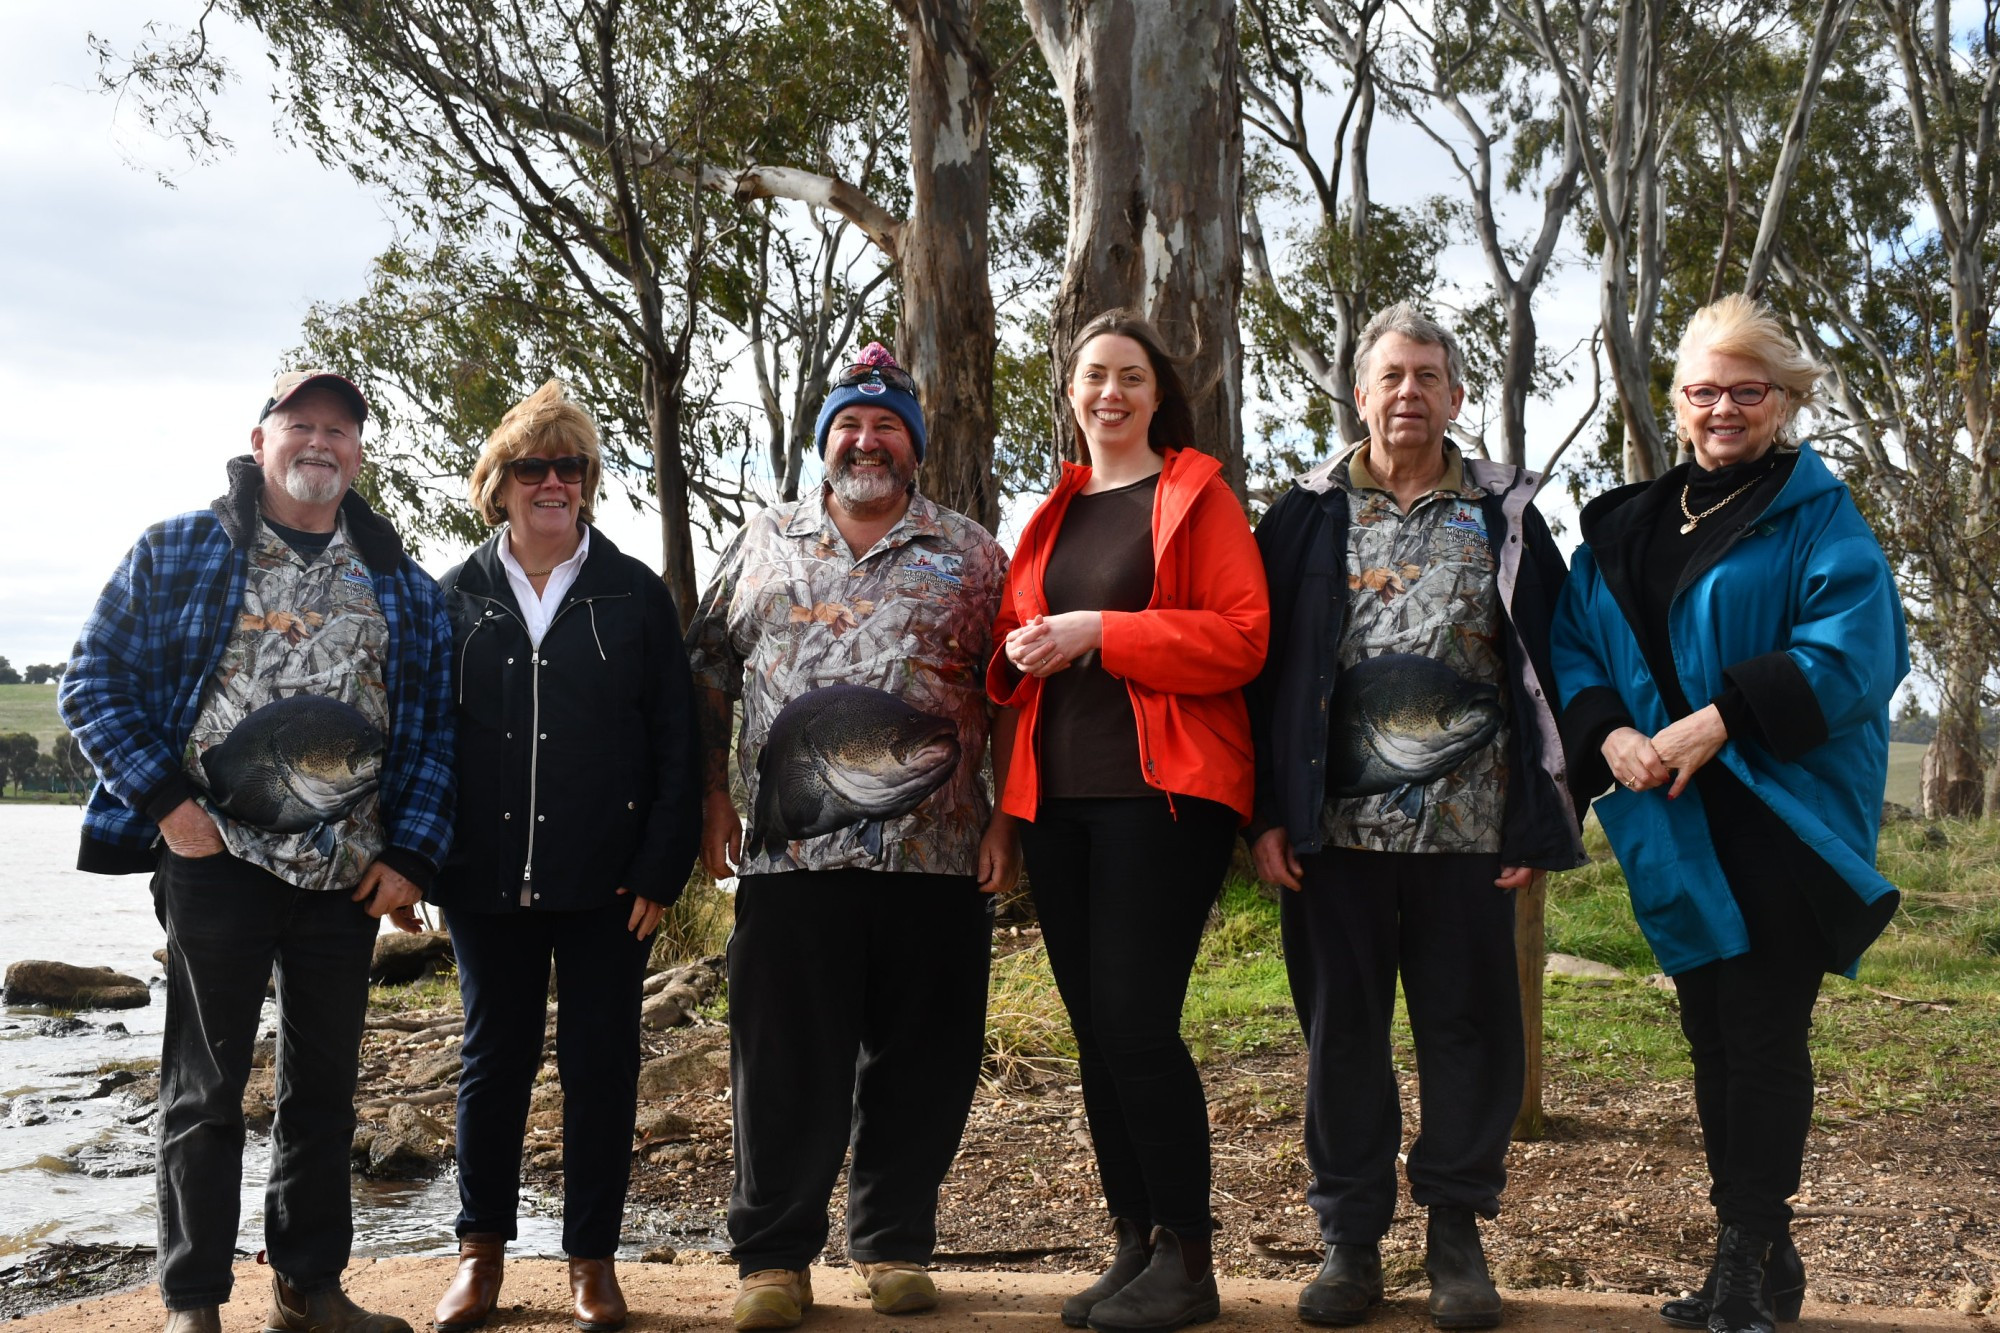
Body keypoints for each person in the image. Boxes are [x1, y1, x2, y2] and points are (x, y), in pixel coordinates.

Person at [59, 370, 455, 1333]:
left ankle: (309, 1290)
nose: (320, 442)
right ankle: (193, 1300)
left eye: (340, 430)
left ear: (358, 454)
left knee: (324, 1088)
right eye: (301, 425)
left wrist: (411, 855)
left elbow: (438, 731)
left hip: (344, 878)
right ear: (260, 437)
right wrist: (166, 807)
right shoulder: (180, 550)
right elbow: (89, 682)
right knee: (205, 1089)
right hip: (214, 863)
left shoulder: (399, 581)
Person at [1550, 295, 1906, 1333]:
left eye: (1744, 391)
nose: (1721, 409)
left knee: (1758, 1031)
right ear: (1676, 401)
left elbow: (1851, 653)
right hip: (1670, 812)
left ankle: (1743, 1260)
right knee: (1708, 1031)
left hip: (1780, 812)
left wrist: (1718, 719)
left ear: (1782, 401)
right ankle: (1761, 1252)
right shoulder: (1622, 524)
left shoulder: (1816, 516)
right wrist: (1607, 733)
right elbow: (1575, 643)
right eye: (1701, 390)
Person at [1247, 303, 1584, 1330]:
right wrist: (1267, 812)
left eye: (1427, 376)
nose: (1407, 393)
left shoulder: (1504, 515)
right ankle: (1349, 1243)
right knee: (1338, 1038)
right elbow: (1261, 674)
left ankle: (1454, 1236)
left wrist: (1541, 811)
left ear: (1455, 396)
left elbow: (1553, 665)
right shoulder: (1301, 514)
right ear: (1358, 394)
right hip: (1330, 842)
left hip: (1470, 834)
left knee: (1468, 1033)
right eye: (1389, 375)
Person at [684, 342, 1020, 1332]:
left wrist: (1008, 815)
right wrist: (712, 798)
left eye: (884, 427)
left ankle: (893, 1242)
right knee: (785, 1055)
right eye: (848, 425)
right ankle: (773, 1259)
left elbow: (1018, 694)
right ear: (823, 441)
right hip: (791, 857)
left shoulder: (973, 552)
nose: (864, 439)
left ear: (913, 448)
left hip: (938, 850)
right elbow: (706, 670)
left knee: (926, 1052)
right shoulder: (762, 540)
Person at [987, 311, 1269, 1333]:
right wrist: (1026, 649)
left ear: (1158, 394)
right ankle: (1135, 1238)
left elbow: (1241, 641)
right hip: (1057, 799)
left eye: (1130, 377)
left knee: (1136, 1023)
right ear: (1071, 391)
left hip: (1166, 795)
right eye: (1092, 375)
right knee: (1094, 1032)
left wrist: (1101, 631)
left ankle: (1189, 1260)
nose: (1109, 392)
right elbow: (1028, 643)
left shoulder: (1197, 496)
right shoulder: (1053, 507)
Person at [427, 381, 702, 1333]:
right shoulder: (451, 596)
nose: (555, 482)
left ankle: (592, 1260)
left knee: (601, 1066)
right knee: (491, 1062)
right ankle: (480, 1257)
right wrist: (415, 860)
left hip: (609, 883)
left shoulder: (633, 593)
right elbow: (421, 738)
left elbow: (677, 736)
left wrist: (663, 868)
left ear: (587, 483)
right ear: (499, 484)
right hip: (481, 880)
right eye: (536, 467)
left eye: (572, 466)